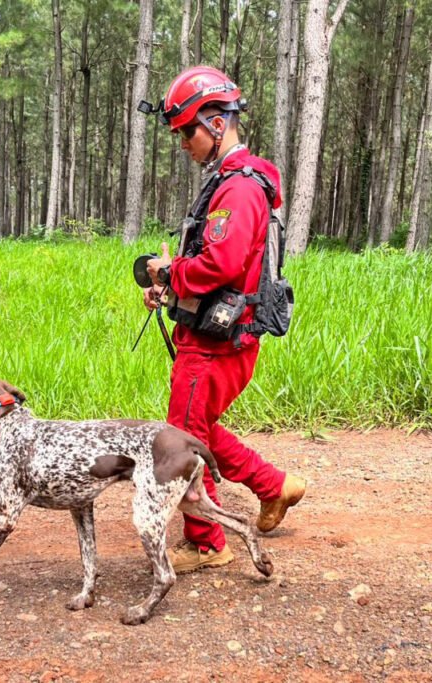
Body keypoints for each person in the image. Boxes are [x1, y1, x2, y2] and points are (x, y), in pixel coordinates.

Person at [142, 65, 306, 574]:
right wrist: (169, 288)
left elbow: (222, 265)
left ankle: (207, 542)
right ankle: (274, 486)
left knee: (182, 441)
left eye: (186, 132)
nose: (183, 144)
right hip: (213, 335)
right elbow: (218, 267)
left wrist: (173, 270)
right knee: (200, 431)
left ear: (216, 123)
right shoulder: (230, 183)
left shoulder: (238, 189)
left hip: (217, 346)